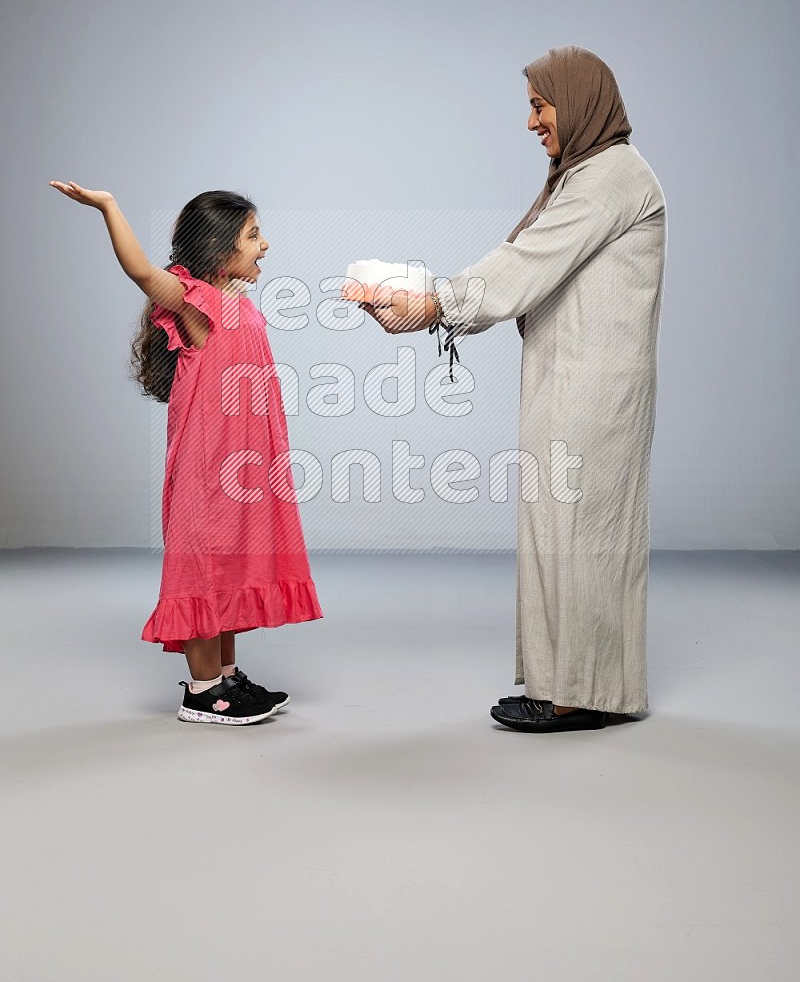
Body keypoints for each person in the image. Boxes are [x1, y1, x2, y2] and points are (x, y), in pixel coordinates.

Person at [363, 46, 666, 733]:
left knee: (580, 534)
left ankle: (581, 695)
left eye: (539, 105)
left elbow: (526, 262)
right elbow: (527, 266)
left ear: (578, 100)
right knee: (567, 532)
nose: (531, 122)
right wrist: (431, 302)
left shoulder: (609, 178)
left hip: (594, 389)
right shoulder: (587, 175)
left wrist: (432, 304)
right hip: (572, 378)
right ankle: (573, 684)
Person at [48, 182, 323, 725]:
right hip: (206, 469)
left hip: (243, 469)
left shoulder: (237, 305)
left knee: (230, 565)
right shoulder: (197, 304)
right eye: (253, 235)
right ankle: (202, 692)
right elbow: (144, 273)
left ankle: (225, 676)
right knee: (203, 568)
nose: (264, 245)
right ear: (222, 252)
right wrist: (109, 206)